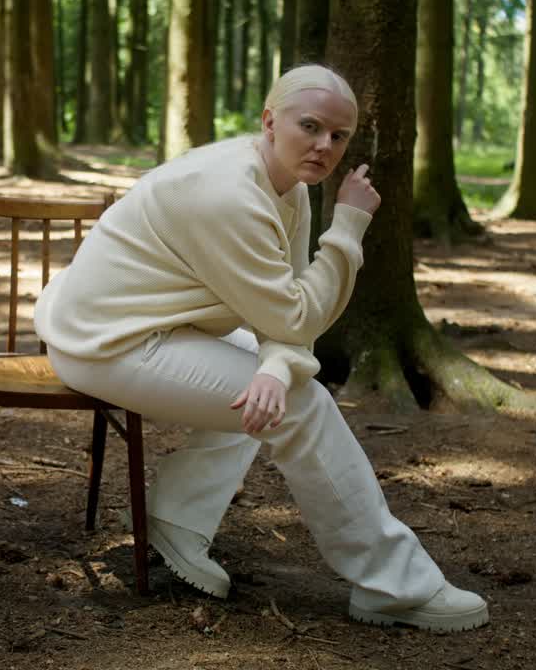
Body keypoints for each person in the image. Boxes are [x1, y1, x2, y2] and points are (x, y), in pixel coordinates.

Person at [33, 65, 489, 633]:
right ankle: (394, 585)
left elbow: (288, 313)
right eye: (310, 126)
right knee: (305, 405)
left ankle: (177, 517)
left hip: (157, 322)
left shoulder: (288, 185)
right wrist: (348, 228)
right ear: (270, 121)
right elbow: (294, 315)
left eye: (339, 135)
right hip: (103, 341)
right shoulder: (230, 194)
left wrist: (276, 365)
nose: (324, 146)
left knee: (274, 381)